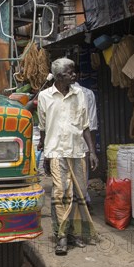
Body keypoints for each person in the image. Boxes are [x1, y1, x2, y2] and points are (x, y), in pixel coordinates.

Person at [37, 58, 98, 256]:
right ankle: (61, 237)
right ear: (59, 76)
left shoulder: (79, 93)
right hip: (56, 151)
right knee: (60, 192)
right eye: (70, 72)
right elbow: (43, 128)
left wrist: (92, 151)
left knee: (78, 193)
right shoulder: (45, 97)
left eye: (74, 71)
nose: (75, 75)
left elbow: (85, 124)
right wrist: (45, 155)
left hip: (77, 151)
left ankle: (74, 234)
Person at [73, 80, 98, 210]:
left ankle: (80, 202)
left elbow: (90, 125)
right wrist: (92, 149)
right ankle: (82, 200)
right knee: (82, 174)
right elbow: (92, 125)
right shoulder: (88, 93)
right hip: (82, 143)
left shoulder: (86, 94)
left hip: (68, 144)